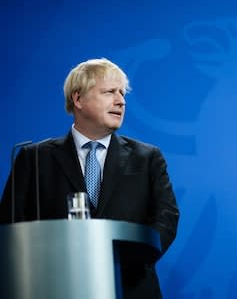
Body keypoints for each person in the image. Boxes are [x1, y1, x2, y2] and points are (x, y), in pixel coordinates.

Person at [0, 58, 179, 298]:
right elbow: (11, 226)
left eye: (122, 93)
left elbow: (166, 219)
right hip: (53, 287)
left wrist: (124, 264)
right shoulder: (33, 158)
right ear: (78, 99)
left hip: (131, 288)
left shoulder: (147, 158)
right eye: (109, 92)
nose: (121, 101)